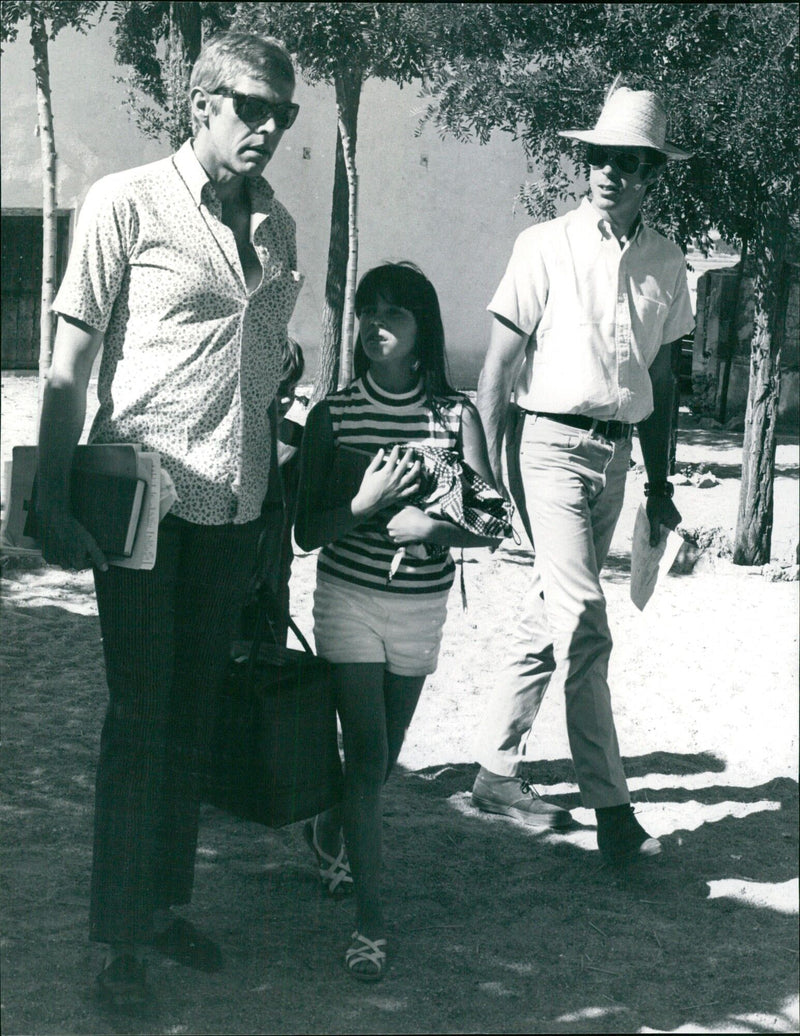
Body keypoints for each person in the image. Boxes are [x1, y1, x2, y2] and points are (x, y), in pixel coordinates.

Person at [34, 32, 303, 1008]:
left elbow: (268, 371)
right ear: (200, 104)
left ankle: (161, 905)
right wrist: (48, 489)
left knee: (194, 716)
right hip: (143, 501)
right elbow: (70, 359)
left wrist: (274, 483)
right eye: (251, 107)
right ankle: (118, 946)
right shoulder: (127, 202)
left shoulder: (278, 233)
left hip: (233, 508)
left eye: (283, 113)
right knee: (139, 719)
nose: (268, 127)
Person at [471, 85, 695, 864]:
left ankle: (496, 772)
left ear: (651, 176)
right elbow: (496, 372)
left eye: (625, 162)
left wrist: (660, 485)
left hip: (618, 459)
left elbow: (660, 383)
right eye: (596, 157)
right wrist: (486, 475)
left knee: (552, 614)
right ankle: (612, 809)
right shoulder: (543, 245)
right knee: (587, 628)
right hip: (550, 450)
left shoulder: (668, 262)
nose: (606, 172)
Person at [294, 263, 501, 981]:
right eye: (367, 312)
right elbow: (305, 531)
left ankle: (332, 828)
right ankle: (371, 925)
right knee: (368, 752)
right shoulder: (334, 416)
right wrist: (364, 504)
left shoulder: (455, 416)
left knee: (374, 767)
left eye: (395, 315)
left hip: (421, 609)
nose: (377, 326)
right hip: (346, 601)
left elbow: (492, 523)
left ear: (423, 332)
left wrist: (429, 527)